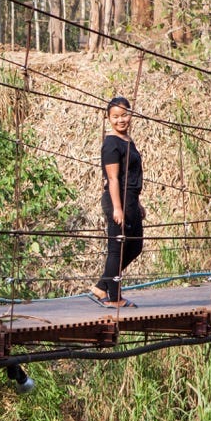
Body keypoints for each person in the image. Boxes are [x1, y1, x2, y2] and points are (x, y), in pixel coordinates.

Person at [91, 96, 145, 308]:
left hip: (130, 200)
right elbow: (113, 179)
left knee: (135, 245)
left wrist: (136, 204)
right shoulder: (111, 144)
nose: (120, 120)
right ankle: (114, 298)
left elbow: (130, 176)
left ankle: (101, 286)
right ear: (108, 118)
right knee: (117, 248)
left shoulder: (128, 140)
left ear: (131, 114)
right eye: (115, 117)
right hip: (117, 199)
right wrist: (117, 208)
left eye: (124, 115)